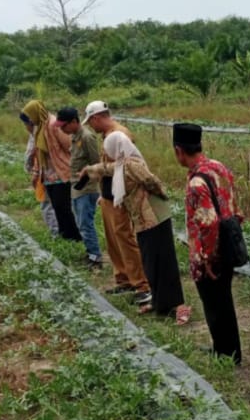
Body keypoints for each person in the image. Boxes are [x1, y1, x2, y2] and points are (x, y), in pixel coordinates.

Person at [78, 132, 191, 324]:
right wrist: (88, 170)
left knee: (164, 262)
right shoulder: (121, 164)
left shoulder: (132, 164)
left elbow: (152, 181)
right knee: (149, 262)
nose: (108, 153)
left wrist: (159, 195)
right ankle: (158, 302)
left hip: (155, 217)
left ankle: (179, 306)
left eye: (109, 149)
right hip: (142, 220)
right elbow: (105, 169)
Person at [172, 121, 243, 363]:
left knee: (214, 304)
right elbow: (233, 205)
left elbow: (209, 222)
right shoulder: (218, 167)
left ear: (179, 150)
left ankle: (224, 354)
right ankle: (229, 350)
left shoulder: (195, 184)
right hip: (229, 244)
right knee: (224, 300)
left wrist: (208, 256)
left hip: (210, 251)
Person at [82, 101, 150, 302]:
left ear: (96, 118)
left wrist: (95, 170)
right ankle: (124, 279)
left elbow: (125, 167)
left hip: (120, 197)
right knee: (113, 240)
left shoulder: (120, 134)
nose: (91, 127)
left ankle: (141, 284)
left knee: (125, 239)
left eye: (91, 122)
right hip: (109, 196)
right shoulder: (107, 135)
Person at [19, 101, 82, 244]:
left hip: (61, 172)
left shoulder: (53, 125)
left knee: (63, 207)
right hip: (48, 174)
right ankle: (65, 237)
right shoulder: (40, 127)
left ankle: (75, 238)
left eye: (29, 117)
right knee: (57, 207)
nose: (29, 121)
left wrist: (75, 165)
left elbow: (69, 145)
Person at [57, 105, 103, 268]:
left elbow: (96, 163)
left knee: (85, 223)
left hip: (87, 187)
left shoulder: (87, 136)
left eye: (64, 126)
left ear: (74, 122)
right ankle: (91, 252)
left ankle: (95, 257)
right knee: (81, 222)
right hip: (77, 186)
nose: (62, 129)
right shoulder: (75, 136)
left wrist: (88, 180)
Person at [22, 123, 61, 238]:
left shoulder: (39, 134)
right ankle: (58, 232)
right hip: (50, 175)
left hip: (47, 175)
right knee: (55, 204)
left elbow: (33, 154)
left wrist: (34, 171)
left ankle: (56, 233)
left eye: (26, 124)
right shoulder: (43, 131)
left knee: (47, 204)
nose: (26, 127)